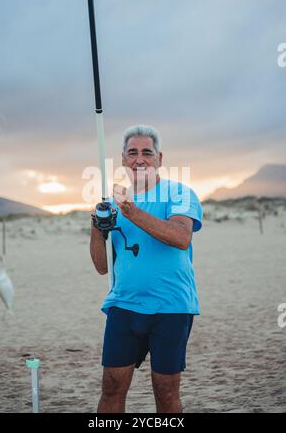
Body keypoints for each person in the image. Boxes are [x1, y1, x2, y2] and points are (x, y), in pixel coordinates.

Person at [90, 125, 203, 413]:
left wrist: (132, 211)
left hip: (172, 306)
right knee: (112, 387)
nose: (139, 159)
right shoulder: (114, 203)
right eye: (132, 153)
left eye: (146, 152)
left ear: (159, 158)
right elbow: (103, 267)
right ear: (124, 160)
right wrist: (96, 226)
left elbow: (181, 237)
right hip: (124, 304)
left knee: (166, 392)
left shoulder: (179, 192)